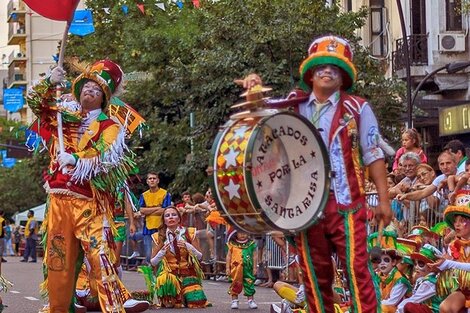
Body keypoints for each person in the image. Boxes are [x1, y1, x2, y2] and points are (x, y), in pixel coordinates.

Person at [242, 34, 391, 313]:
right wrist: (254, 87)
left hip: (347, 203)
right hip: (305, 205)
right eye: (321, 67)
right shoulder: (291, 105)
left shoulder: (358, 107)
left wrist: (384, 201)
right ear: (310, 74)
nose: (327, 72)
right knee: (313, 273)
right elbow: (262, 136)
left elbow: (374, 155)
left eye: (334, 68)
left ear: (343, 75)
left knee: (358, 269)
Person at [27, 60, 143, 312]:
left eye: (97, 89)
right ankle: (59, 308)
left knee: (100, 256)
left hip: (88, 202)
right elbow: (36, 103)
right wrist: (49, 81)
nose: (90, 90)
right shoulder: (61, 114)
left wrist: (77, 160)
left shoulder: (110, 126)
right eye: (87, 85)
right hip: (58, 199)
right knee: (58, 260)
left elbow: (106, 156)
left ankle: (113, 307)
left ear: (104, 97)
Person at [150, 206, 210, 308]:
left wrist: (189, 247)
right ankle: (176, 296)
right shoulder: (158, 236)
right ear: (164, 220)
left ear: (179, 219)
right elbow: (153, 262)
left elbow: (200, 257)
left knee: (197, 302)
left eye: (174, 215)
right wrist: (162, 252)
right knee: (171, 303)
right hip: (170, 275)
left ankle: (186, 295)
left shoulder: (189, 233)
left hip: (187, 273)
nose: (171, 217)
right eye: (167, 216)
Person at [139, 172, 171, 264]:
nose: (152, 180)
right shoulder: (144, 195)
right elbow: (141, 210)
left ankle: (159, 275)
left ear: (158, 181)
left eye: (154, 178)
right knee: (149, 255)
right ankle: (153, 273)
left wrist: (149, 210)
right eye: (150, 179)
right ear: (147, 181)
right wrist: (158, 208)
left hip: (161, 228)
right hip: (148, 228)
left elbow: (165, 210)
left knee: (160, 253)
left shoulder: (165, 194)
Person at [226, 228, 258, 309]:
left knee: (249, 283)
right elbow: (229, 256)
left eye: (244, 232)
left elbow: (254, 256)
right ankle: (234, 301)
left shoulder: (251, 244)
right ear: (235, 233)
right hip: (235, 269)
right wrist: (227, 268)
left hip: (248, 269)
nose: (242, 235)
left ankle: (251, 300)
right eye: (240, 233)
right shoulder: (232, 244)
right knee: (235, 284)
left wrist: (254, 268)